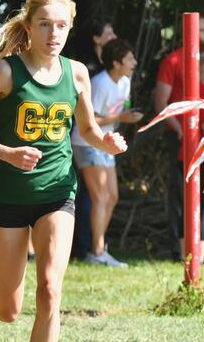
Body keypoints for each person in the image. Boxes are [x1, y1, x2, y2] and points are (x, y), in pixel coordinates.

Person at [0, 0, 127, 342]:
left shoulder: (76, 74)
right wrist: (6, 154)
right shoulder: (5, 72)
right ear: (29, 27)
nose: (53, 33)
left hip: (57, 193)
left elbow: (89, 130)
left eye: (61, 25)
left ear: (69, 28)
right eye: (45, 24)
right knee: (8, 310)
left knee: (50, 290)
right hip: (7, 197)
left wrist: (105, 142)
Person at [71, 39, 142, 267]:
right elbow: (87, 120)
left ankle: (100, 249)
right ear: (116, 62)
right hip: (86, 142)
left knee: (112, 196)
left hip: (107, 142)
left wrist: (127, 117)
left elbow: (119, 111)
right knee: (99, 196)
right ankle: (96, 251)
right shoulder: (100, 84)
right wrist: (120, 118)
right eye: (130, 59)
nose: (135, 63)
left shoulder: (124, 82)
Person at [154, 16, 204, 260]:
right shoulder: (173, 61)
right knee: (181, 193)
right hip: (178, 135)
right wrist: (179, 130)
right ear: (193, 31)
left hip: (202, 136)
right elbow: (160, 102)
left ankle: (199, 250)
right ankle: (178, 249)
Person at [176, 47, 204, 263]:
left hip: (192, 156)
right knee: (201, 207)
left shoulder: (203, 89)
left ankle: (191, 253)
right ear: (202, 65)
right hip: (203, 157)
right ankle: (196, 254)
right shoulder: (203, 91)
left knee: (193, 205)